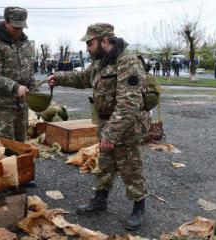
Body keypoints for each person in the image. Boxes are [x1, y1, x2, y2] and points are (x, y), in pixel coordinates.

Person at [48, 23, 148, 231]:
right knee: (105, 164)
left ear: (104, 41)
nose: (87, 48)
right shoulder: (100, 61)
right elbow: (83, 78)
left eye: (90, 43)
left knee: (131, 168)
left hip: (125, 127)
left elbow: (129, 104)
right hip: (105, 123)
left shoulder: (128, 62)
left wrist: (111, 132)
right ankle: (100, 200)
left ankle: (139, 207)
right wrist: (59, 77)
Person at [0, 7, 37, 142]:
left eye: (21, 28)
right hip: (4, 106)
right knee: (7, 146)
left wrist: (36, 92)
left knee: (21, 144)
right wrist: (15, 87)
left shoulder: (26, 45)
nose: (19, 31)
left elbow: (29, 73)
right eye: (15, 27)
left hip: (22, 105)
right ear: (6, 23)